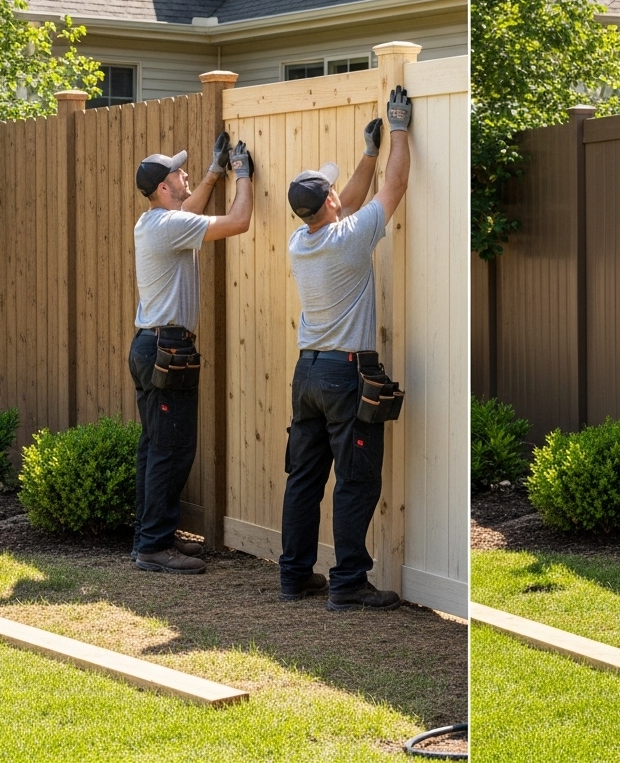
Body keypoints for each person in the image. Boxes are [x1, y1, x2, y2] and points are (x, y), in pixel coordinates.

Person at [278, 85, 412, 610]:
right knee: (355, 481)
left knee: (304, 479)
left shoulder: (301, 240)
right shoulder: (351, 237)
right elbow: (394, 186)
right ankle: (349, 583)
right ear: (328, 203)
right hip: (346, 375)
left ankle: (294, 577)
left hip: (307, 374)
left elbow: (348, 202)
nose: (341, 196)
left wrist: (367, 154)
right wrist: (397, 128)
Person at [129, 135, 254, 574]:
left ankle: (151, 537)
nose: (186, 175)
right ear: (164, 187)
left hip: (149, 346)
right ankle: (153, 549)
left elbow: (189, 211)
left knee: (154, 446)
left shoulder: (153, 223)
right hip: (168, 349)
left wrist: (212, 173)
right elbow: (238, 222)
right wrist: (243, 174)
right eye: (179, 173)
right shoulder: (169, 226)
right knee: (173, 449)